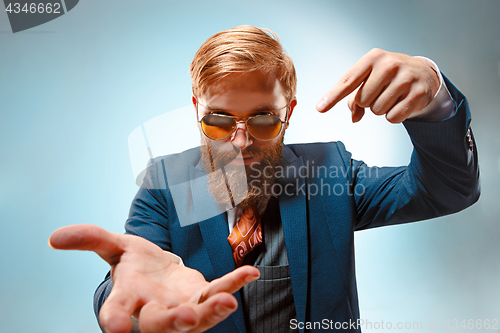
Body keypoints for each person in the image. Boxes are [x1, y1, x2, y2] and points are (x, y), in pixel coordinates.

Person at [49, 25, 480, 333]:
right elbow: (134, 275)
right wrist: (134, 305)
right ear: (197, 108)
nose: (240, 142)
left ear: (289, 112)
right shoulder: (164, 183)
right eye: (218, 121)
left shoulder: (329, 171)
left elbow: (446, 189)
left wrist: (436, 97)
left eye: (262, 120)